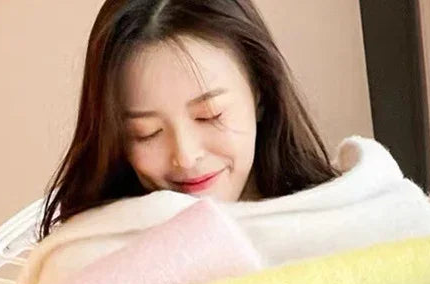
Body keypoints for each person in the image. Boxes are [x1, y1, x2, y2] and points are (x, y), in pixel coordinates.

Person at [39, 0, 340, 239]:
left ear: (260, 92)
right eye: (146, 133)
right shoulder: (90, 253)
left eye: (209, 115)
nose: (184, 156)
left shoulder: (344, 221)